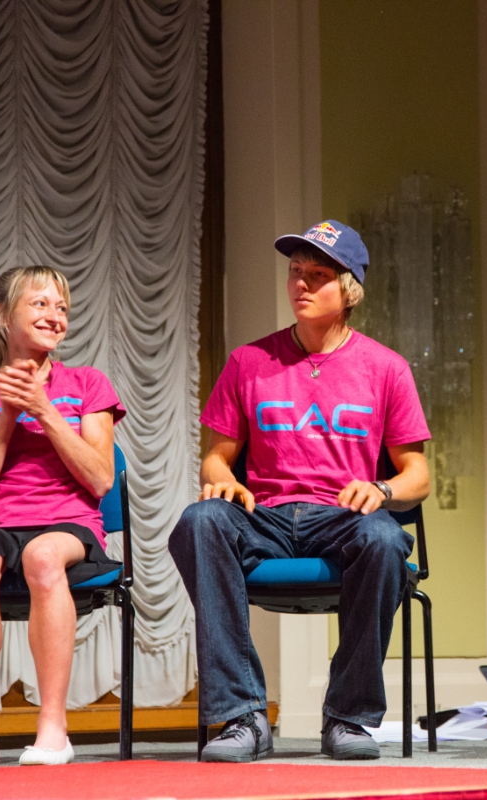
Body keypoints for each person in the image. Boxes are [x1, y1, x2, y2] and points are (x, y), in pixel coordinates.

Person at [169, 220, 431, 763]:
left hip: (340, 517)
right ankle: (242, 716)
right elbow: (218, 454)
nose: (301, 285)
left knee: (384, 541)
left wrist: (381, 489)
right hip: (263, 515)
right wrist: (220, 475)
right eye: (295, 273)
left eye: (317, 275)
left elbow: (417, 475)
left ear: (349, 289)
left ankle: (349, 718)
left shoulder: (386, 368)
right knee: (200, 521)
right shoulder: (248, 362)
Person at [0, 266, 126, 768]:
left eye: (61, 308)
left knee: (43, 555)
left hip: (68, 523)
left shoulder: (88, 385)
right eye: (39, 304)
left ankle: (53, 725)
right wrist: (9, 414)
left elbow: (100, 480)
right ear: (2, 316)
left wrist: (46, 409)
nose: (54, 316)